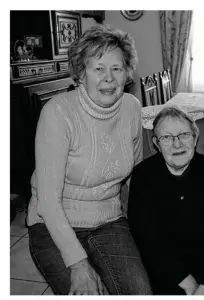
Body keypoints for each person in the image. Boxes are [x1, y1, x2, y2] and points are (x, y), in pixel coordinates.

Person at [26, 25, 152, 295]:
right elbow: (47, 202)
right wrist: (78, 264)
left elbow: (137, 177)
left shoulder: (131, 107)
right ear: (80, 74)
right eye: (98, 68)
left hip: (109, 220)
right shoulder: (58, 112)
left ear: (127, 73)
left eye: (117, 68)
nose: (109, 78)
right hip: (53, 223)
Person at [128, 107, 204, 295]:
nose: (177, 144)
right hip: (166, 268)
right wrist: (185, 281)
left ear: (195, 138)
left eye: (184, 135)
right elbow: (146, 237)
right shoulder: (143, 175)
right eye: (167, 138)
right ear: (156, 144)